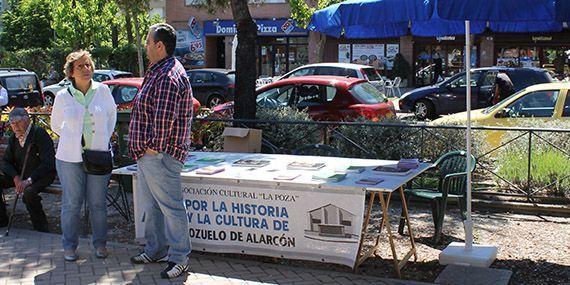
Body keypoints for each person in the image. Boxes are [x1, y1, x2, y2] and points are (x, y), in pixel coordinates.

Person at [128, 23, 194, 279]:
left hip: (159, 156)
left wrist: (151, 150)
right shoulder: (158, 71)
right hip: (150, 156)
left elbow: (163, 122)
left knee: (171, 208)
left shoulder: (167, 75)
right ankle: (155, 250)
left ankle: (179, 258)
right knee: (152, 206)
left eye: (147, 42)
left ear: (159, 45)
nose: (144, 47)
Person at [50, 50, 117, 262]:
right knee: (72, 203)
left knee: (97, 203)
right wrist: (74, 139)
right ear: (71, 72)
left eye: (89, 65)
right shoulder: (62, 96)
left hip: (98, 156)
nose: (87, 69)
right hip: (69, 159)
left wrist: (98, 141)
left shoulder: (103, 91)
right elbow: (55, 125)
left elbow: (111, 119)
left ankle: (100, 244)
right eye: (81, 66)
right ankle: (69, 246)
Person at [0, 108, 56, 232]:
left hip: (41, 175)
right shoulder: (14, 138)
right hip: (21, 175)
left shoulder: (39, 134)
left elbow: (48, 163)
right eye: (12, 123)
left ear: (27, 120)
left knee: (29, 192)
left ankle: (41, 228)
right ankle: (2, 220)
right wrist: (15, 177)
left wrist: (28, 181)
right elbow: (5, 161)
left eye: (18, 122)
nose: (15, 126)